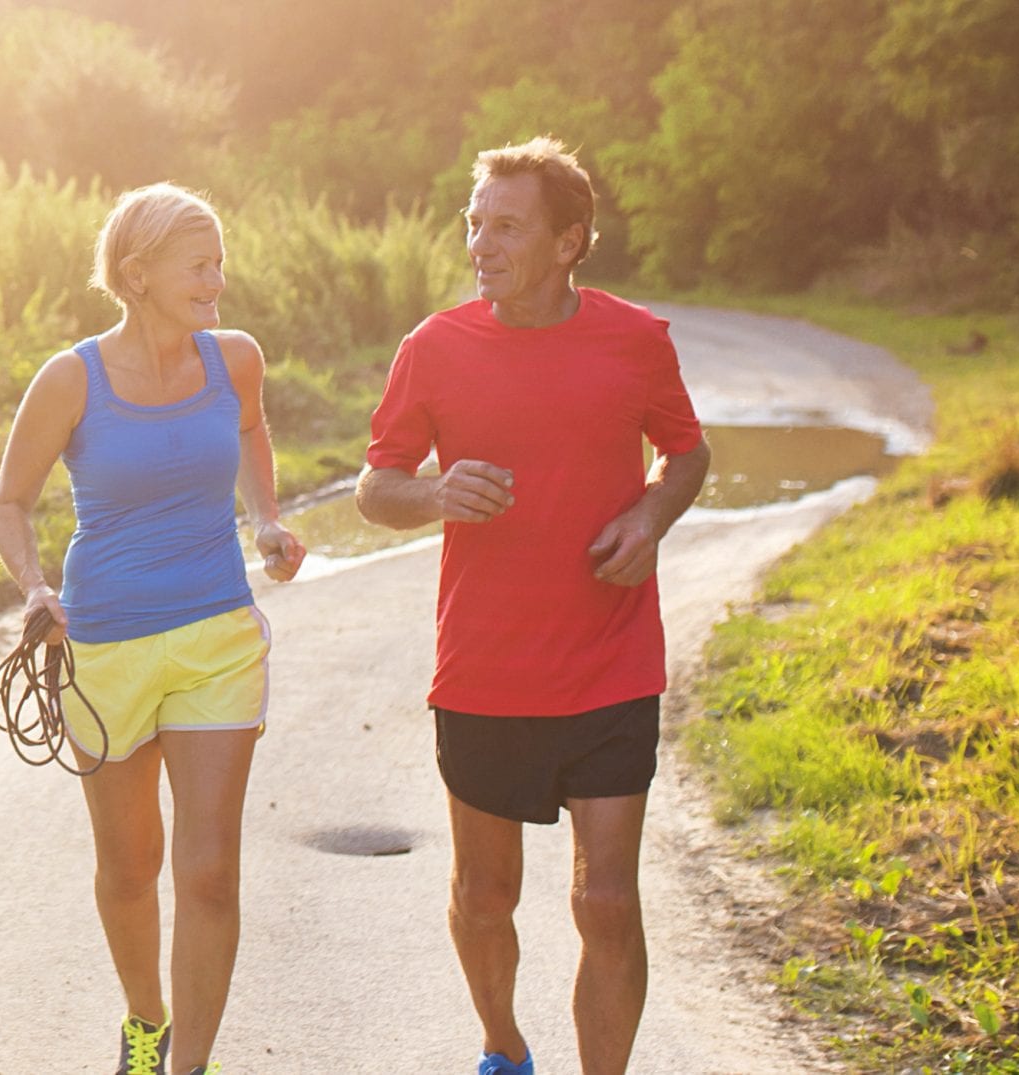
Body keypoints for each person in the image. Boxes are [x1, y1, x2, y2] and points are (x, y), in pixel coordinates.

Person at [355, 137, 712, 1075]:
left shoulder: (637, 340)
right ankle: (504, 1047)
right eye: (474, 223)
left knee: (607, 903)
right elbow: (375, 487)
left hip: (611, 661)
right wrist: (434, 493)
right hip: (485, 669)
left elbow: (687, 453)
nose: (480, 243)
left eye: (506, 226)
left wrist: (650, 515)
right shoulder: (433, 349)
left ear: (568, 241)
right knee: (485, 896)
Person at [0, 183, 308, 1075]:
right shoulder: (71, 379)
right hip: (105, 647)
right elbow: (10, 502)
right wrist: (35, 588)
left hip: (217, 638)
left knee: (209, 872)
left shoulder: (235, 358)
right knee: (131, 865)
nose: (217, 280)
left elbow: (251, 429)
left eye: (219, 262)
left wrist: (265, 519)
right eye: (198, 265)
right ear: (137, 275)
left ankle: (189, 1066)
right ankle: (144, 1019)